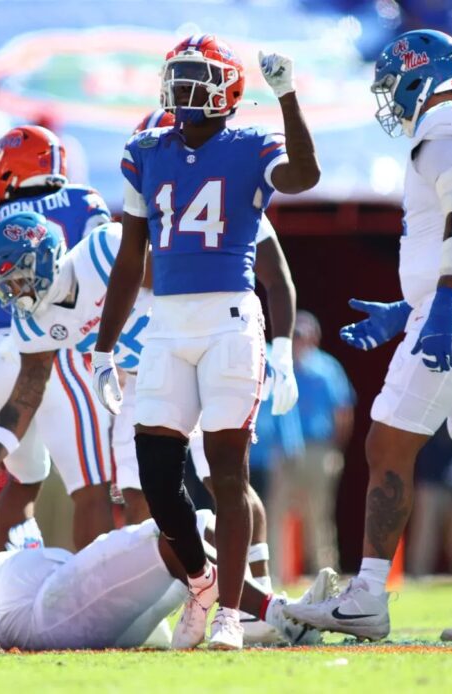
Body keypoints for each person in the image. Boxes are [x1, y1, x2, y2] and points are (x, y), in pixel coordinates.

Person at [287, 31, 452, 643]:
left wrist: (443, 304)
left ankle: (368, 595)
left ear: (417, 76)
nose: (390, 102)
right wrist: (412, 305)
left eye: (392, 87)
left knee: (386, 444)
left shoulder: (446, 122)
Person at [90, 35, 319, 650]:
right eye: (179, 77)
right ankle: (202, 581)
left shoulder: (249, 148)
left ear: (228, 91)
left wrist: (289, 96)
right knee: (158, 477)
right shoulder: (145, 152)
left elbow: (303, 175)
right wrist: (106, 347)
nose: (185, 90)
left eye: (199, 78)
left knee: (226, 473)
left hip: (227, 319)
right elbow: (130, 255)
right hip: (165, 323)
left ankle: (228, 615)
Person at [0, 458, 336, 652]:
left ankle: (261, 619)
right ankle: (281, 614)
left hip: (60, 607)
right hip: (50, 614)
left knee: (201, 526)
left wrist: (25, 555)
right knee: (171, 535)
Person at [0, 125, 113, 552]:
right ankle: (95, 605)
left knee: (21, 483)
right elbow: (112, 271)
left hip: (3, 354)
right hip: (62, 347)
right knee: (92, 488)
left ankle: (4, 596)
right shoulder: (83, 201)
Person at [275, 310, 352, 576]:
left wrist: (335, 449)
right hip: (283, 449)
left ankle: (325, 573)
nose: (298, 341)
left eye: (302, 335)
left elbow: (343, 411)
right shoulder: (279, 366)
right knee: (277, 511)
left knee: (319, 514)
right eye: (294, 336)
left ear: (314, 337)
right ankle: (275, 574)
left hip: (320, 449)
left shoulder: (327, 368)